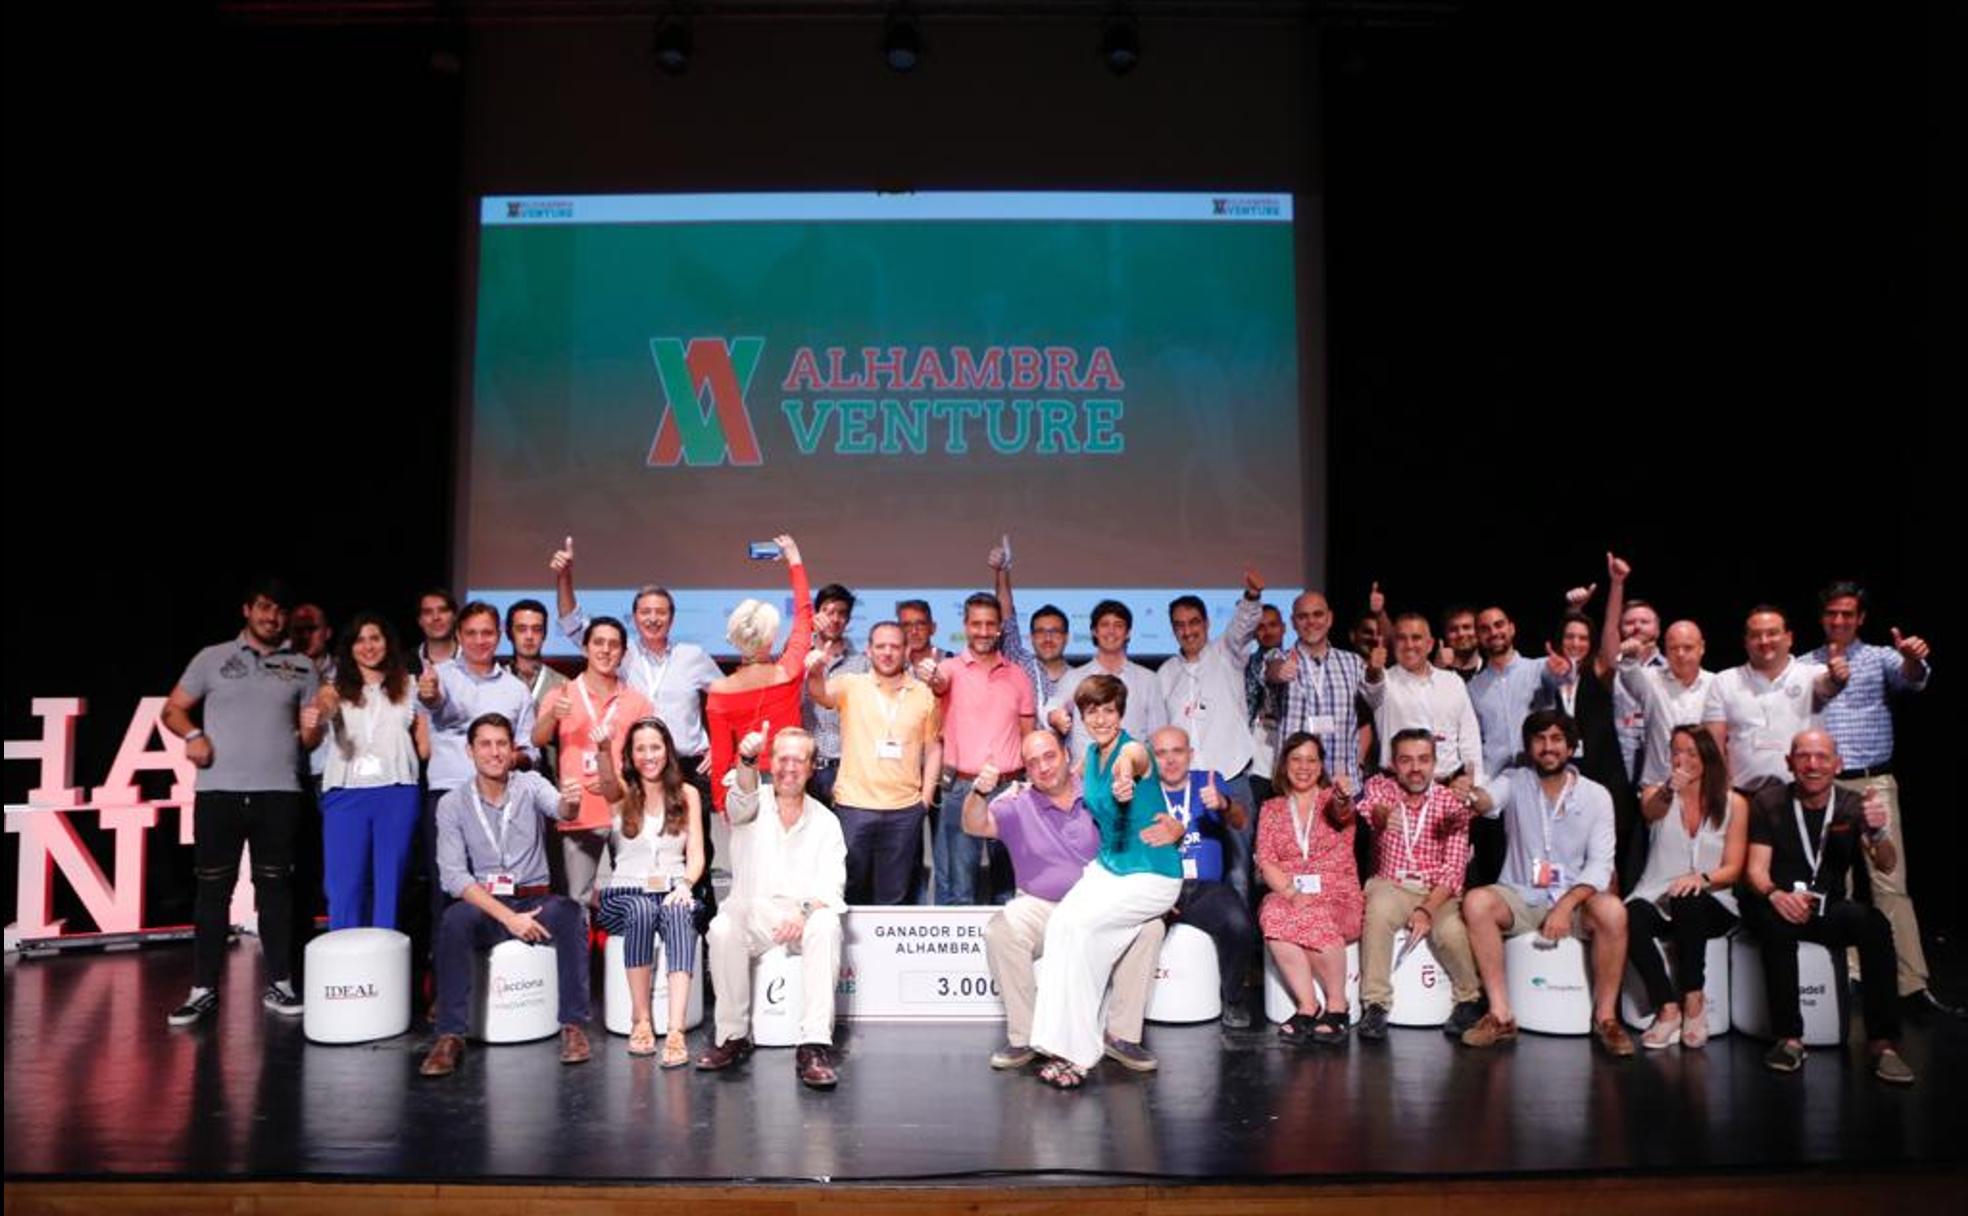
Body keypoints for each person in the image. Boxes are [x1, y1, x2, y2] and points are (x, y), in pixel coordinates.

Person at [161, 578, 322, 1026]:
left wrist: (312, 728)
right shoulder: (212, 658)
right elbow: (173, 709)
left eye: (280, 611)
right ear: (247, 610)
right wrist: (193, 735)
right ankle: (203, 989)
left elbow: (309, 736)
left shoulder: (302, 666)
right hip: (219, 792)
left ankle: (281, 983)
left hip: (280, 793)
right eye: (265, 608)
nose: (272, 617)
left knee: (276, 892)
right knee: (213, 891)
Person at [966, 730, 1167, 1069]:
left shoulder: (1099, 795)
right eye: (1033, 763)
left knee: (1150, 926)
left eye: (1049, 757)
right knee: (999, 931)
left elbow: (1138, 839)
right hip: (1042, 907)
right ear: (1025, 771)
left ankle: (1121, 1036)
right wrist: (980, 791)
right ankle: (1026, 1037)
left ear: (1065, 756)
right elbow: (974, 825)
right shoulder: (1014, 804)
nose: (1043, 767)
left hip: (1099, 905)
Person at [1804, 581, 1957, 1019]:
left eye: (1847, 614)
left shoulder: (1879, 658)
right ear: (1821, 617)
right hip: (1824, 787)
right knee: (1837, 884)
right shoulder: (1805, 665)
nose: (1839, 621)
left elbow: (1912, 677)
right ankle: (1850, 975)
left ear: (1861, 618)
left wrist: (1913, 659)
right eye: (1832, 613)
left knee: (1891, 882)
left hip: (1874, 781)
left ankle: (1911, 984)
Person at [1027, 675, 1185, 1088]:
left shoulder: (1132, 750)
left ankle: (1079, 1056)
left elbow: (1130, 759)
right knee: (1062, 925)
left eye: (1108, 710)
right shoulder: (1090, 757)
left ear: (1121, 712)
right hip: (1110, 866)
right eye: (1091, 711)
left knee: (1082, 932)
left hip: (1151, 873)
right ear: (1081, 716)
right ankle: (1056, 1043)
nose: (1100, 719)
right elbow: (1066, 781)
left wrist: (1126, 774)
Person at [418, 713, 592, 1077]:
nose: (495, 753)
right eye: (486, 744)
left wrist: (572, 802)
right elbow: (453, 877)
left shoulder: (530, 784)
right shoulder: (452, 804)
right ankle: (450, 1034)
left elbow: (561, 809)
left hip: (534, 898)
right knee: (453, 921)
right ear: (470, 751)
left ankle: (573, 1026)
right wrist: (508, 918)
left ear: (513, 750)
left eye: (502, 744)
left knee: (572, 913)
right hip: (487, 904)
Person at [1740, 730, 1914, 1083]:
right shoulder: (1769, 802)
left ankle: (1883, 1044)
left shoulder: (1852, 805)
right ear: (1790, 763)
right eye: (1803, 756)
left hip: (1826, 906)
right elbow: (1755, 871)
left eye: (1822, 757)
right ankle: (1789, 1039)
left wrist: (1880, 833)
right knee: (1775, 927)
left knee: (1874, 924)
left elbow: (1886, 864)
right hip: (1777, 901)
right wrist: (1776, 895)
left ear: (1839, 764)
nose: (1813, 765)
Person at [1458, 711, 1633, 1056]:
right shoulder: (1514, 780)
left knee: (1613, 911)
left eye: (1556, 739)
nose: (1548, 747)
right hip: (1522, 893)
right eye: (1540, 739)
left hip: (1576, 897)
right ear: (1529, 746)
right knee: (1477, 902)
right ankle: (1500, 1013)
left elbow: (1600, 867)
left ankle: (1607, 1019)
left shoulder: (1596, 796)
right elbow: (1486, 801)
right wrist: (1470, 794)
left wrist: (1567, 905)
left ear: (1571, 747)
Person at [697, 728, 848, 1090]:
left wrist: (805, 911)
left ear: (812, 768)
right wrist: (746, 760)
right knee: (722, 927)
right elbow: (740, 798)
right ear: (770, 763)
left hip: (801, 920)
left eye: (799, 760)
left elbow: (833, 887)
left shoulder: (827, 822)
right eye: (782, 758)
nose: (789, 768)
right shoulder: (750, 802)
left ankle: (813, 1045)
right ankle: (732, 1036)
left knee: (826, 923)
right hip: (754, 916)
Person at [551, 538, 723, 808]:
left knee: (696, 847)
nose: (653, 618)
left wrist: (722, 746)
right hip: (639, 766)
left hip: (687, 766)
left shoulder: (693, 655)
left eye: (660, 612)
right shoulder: (620, 652)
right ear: (634, 617)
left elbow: (731, 699)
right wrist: (564, 577)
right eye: (645, 612)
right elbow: (572, 624)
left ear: (672, 618)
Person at [1352, 729, 1482, 1040]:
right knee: (1379, 909)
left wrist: (1427, 909)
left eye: (1423, 760)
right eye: (1406, 760)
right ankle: (1376, 1004)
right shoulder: (1381, 788)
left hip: (1436, 891)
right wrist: (1384, 817)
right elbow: (1372, 809)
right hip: (1392, 884)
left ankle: (1468, 999)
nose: (1415, 768)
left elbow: (1452, 872)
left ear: (1435, 763)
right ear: (1394, 764)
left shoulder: (1451, 803)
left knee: (1450, 930)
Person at [1624, 726, 1747, 1049]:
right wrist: (1668, 789)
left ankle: (1694, 1000)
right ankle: (1667, 1007)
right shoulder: (1657, 794)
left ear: (1707, 757)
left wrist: (1702, 879)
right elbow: (1651, 811)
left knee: (1688, 898)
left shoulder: (1734, 803)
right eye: (1676, 752)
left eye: (1691, 753)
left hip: (1713, 902)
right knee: (1629, 914)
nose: (1682, 759)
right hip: (1658, 896)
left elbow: (1734, 868)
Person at [305, 611, 428, 930]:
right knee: (343, 886)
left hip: (397, 793)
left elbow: (426, 746)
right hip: (346, 795)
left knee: (390, 885)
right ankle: (345, 966)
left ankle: (383, 967)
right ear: (350, 647)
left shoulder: (410, 686)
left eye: (375, 638)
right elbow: (325, 707)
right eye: (360, 640)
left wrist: (437, 698)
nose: (368, 646)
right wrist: (317, 715)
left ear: (388, 643)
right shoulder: (333, 688)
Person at [594, 718, 705, 1065]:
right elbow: (608, 780)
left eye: (655, 747)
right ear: (630, 754)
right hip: (624, 893)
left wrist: (686, 885)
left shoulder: (688, 795)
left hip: (672, 888)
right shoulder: (621, 792)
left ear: (667, 751)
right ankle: (640, 1020)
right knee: (641, 910)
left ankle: (675, 1030)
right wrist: (602, 751)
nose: (648, 755)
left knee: (678, 913)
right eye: (640, 749)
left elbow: (697, 855)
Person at [806, 621, 943, 904]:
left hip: (904, 811)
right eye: (881, 646)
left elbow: (933, 748)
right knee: (850, 891)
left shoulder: (923, 694)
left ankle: (884, 950)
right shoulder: (850, 685)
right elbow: (819, 694)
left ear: (906, 651)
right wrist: (816, 671)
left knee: (894, 897)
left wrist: (925, 799)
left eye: (895, 646)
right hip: (854, 807)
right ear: (869, 651)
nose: (888, 652)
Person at [533, 617, 651, 907]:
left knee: (634, 897)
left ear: (623, 653)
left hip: (626, 812)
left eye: (614, 645)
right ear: (585, 648)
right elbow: (536, 739)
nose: (606, 650)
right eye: (598, 642)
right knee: (575, 902)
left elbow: (649, 759)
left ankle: (629, 953)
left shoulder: (638, 702)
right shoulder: (561, 694)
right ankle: (579, 955)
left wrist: (619, 782)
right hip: (579, 814)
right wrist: (552, 716)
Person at [926, 592, 1035, 906]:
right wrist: (931, 676)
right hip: (961, 786)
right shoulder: (949, 669)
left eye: (990, 624)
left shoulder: (1017, 675)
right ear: (965, 626)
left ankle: (1010, 950)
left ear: (1000, 627)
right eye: (977, 624)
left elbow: (1028, 735)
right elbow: (937, 683)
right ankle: (960, 957)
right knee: (960, 885)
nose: (984, 631)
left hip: (1010, 788)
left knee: (1010, 883)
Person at [1256, 732, 1362, 1047]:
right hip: (1290, 893)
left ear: (1321, 766)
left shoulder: (1332, 799)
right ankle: (1307, 1006)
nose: (1304, 767)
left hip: (1337, 895)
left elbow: (1343, 812)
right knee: (1272, 911)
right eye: (1296, 759)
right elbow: (1267, 860)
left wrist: (1344, 797)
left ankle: (1338, 1006)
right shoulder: (1272, 808)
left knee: (1313, 914)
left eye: (1311, 760)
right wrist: (1291, 894)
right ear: (1284, 764)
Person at [1148, 726, 1259, 1029]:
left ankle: (1234, 999)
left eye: (1177, 751)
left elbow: (1240, 821)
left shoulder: (1208, 781)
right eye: (1161, 753)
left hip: (1204, 889)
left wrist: (1224, 804)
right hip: (1157, 887)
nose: (1170, 760)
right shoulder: (1143, 792)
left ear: (1190, 754)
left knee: (1238, 923)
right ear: (1151, 757)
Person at [702, 535, 813, 810]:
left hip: (744, 783)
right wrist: (794, 561)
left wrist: (721, 805)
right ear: (769, 640)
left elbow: (720, 756)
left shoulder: (719, 691)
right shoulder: (787, 673)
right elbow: (804, 618)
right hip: (789, 778)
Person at [1703, 606, 1843, 792]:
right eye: (1755, 635)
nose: (1764, 641)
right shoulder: (1724, 681)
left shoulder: (1812, 674)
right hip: (1743, 796)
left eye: (1772, 633)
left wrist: (1837, 678)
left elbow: (1828, 686)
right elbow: (1713, 744)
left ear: (1789, 638)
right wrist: (1722, 792)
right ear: (1746, 642)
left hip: (1800, 796)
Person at [1045, 601, 1165, 764]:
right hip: (1086, 781)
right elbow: (1051, 709)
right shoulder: (1074, 678)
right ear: (1094, 631)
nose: (1111, 631)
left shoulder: (1148, 680)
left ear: (1128, 633)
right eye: (1104, 625)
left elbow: (1158, 736)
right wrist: (1054, 716)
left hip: (1133, 779)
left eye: (1118, 625)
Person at [801, 581, 865, 805]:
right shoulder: (798, 656)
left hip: (846, 768)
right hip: (804, 767)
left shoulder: (862, 663)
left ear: (847, 619)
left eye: (841, 613)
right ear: (817, 614)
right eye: (828, 611)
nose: (835, 619)